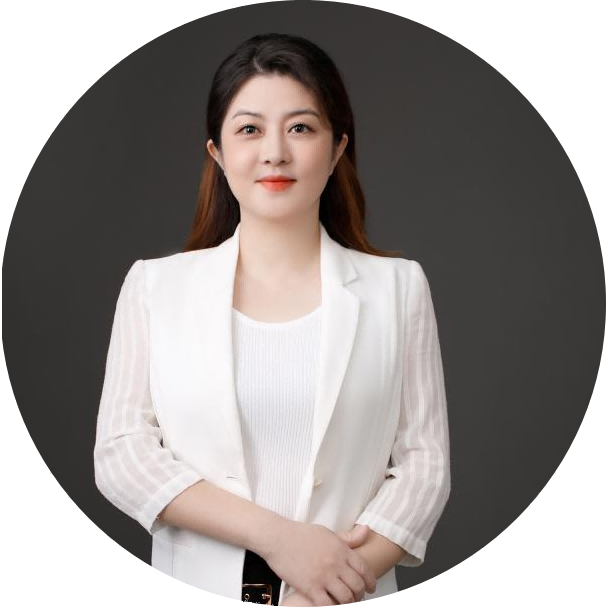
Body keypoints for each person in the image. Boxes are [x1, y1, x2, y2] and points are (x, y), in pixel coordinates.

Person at [93, 32, 451, 606]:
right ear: (217, 153)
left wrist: (331, 586)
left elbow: (424, 468)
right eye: (249, 129)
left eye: (301, 128)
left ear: (337, 149)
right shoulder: (156, 288)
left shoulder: (398, 288)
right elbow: (122, 455)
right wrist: (280, 540)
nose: (275, 153)